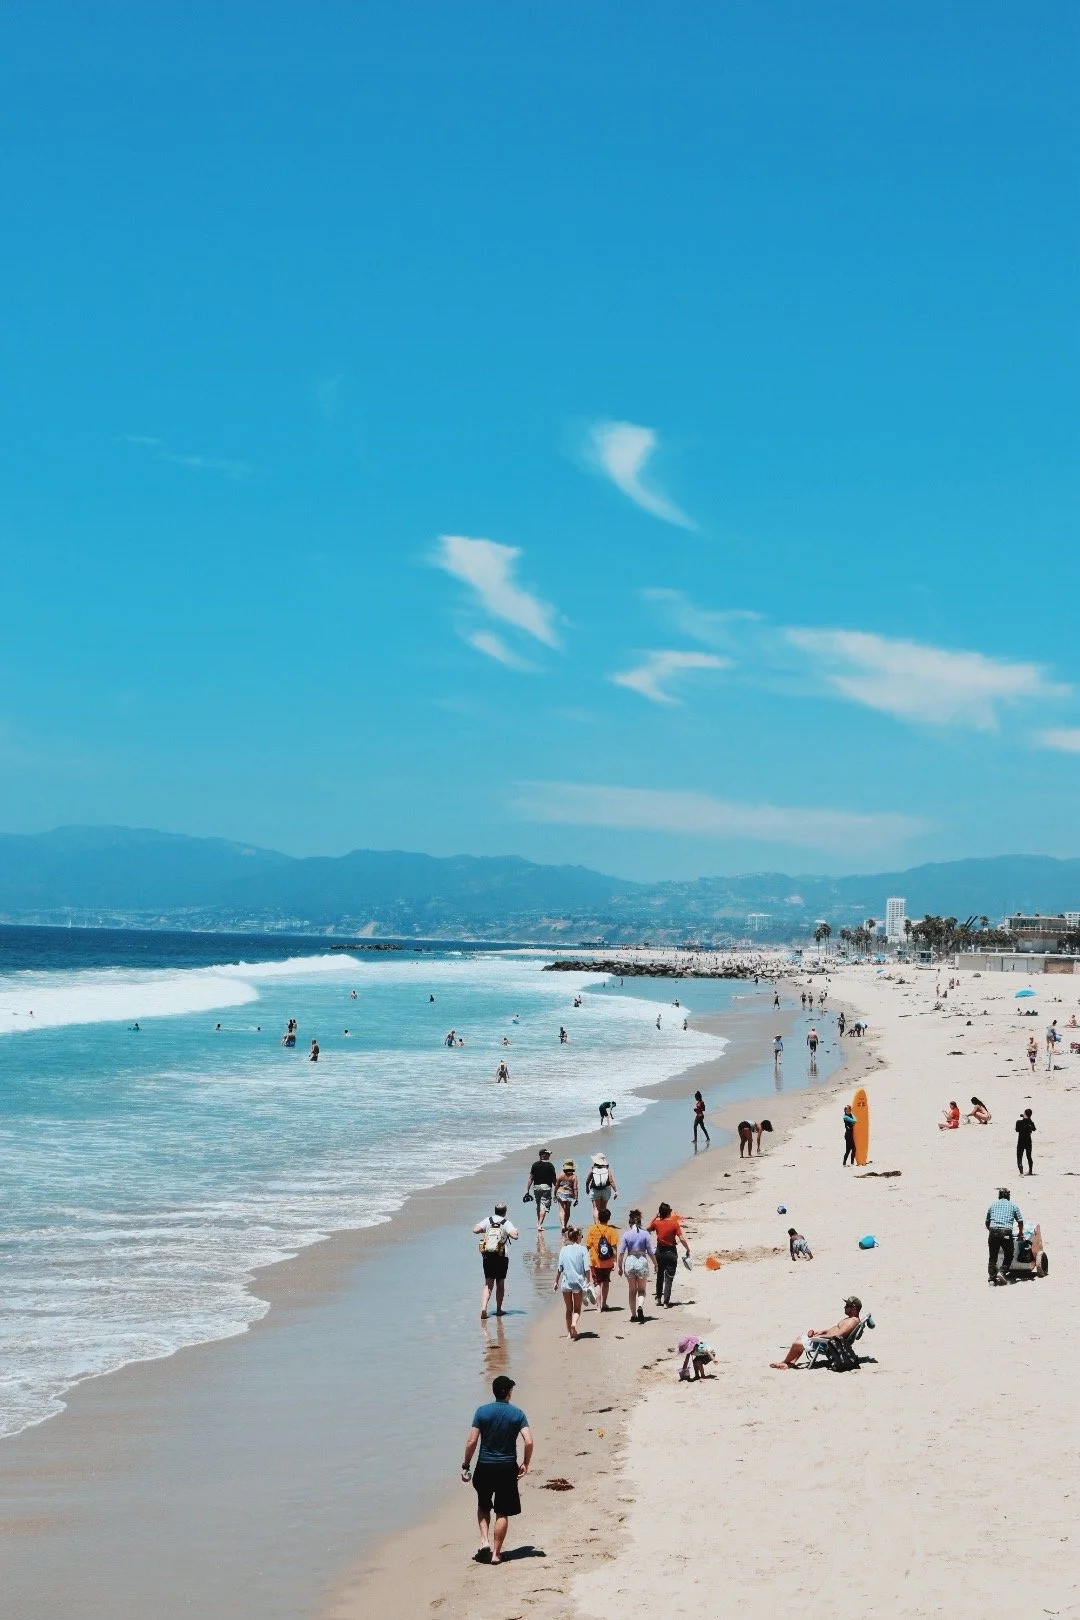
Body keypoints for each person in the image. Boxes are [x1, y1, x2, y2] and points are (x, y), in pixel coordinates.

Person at [461, 1374, 532, 1566]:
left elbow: (472, 1441)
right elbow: (529, 1441)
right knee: (502, 1512)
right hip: (507, 1468)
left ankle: (484, 1541)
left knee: (483, 1505)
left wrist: (466, 1465)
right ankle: (496, 1554)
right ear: (508, 1393)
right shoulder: (518, 1414)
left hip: (484, 1467)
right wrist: (526, 1462)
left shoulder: (482, 1412)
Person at [770, 1296, 863, 1368]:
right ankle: (791, 1363)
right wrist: (823, 1332)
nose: (845, 1307)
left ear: (854, 1309)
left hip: (827, 1343)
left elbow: (839, 1335)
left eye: (847, 1306)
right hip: (826, 1340)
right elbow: (835, 1330)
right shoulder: (850, 1319)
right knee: (799, 1338)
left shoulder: (852, 1321)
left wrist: (820, 1338)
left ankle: (784, 1362)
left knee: (796, 1344)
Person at [473, 1202, 519, 1319]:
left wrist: (486, 1230)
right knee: (500, 1283)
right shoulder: (506, 1223)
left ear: (495, 1210)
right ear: (505, 1211)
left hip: (487, 1255)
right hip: (501, 1256)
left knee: (488, 1283)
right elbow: (515, 1236)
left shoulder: (488, 1220)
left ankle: (484, 1308)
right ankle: (498, 1309)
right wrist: (515, 1231)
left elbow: (475, 1229)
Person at [618, 1208, 656, 1323]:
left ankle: (633, 1315)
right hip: (641, 1262)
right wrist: (656, 1264)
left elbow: (621, 1253)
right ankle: (640, 1306)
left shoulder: (626, 1235)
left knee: (632, 1290)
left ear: (630, 1222)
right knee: (642, 1290)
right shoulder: (645, 1234)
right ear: (639, 1222)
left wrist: (620, 1267)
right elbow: (650, 1252)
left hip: (630, 1261)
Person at [649, 1201, 690, 1308]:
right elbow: (681, 1239)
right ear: (668, 1213)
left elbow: (648, 1229)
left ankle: (658, 1299)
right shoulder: (674, 1223)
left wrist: (655, 1217)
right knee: (669, 1277)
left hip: (660, 1252)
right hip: (671, 1252)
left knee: (659, 1276)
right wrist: (687, 1249)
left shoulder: (657, 1223)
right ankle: (666, 1302)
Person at [553, 1225, 591, 1339]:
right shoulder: (583, 1249)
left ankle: (569, 1332)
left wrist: (555, 1282)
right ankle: (574, 1324)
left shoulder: (564, 1249)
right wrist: (588, 1281)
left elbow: (560, 1268)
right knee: (577, 1309)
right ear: (579, 1237)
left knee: (568, 1309)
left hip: (566, 1283)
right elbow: (587, 1268)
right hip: (578, 1283)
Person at [585, 1204, 620, 1311]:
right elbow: (614, 1248)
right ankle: (604, 1303)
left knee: (597, 1283)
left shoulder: (592, 1229)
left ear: (598, 1217)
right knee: (605, 1282)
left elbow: (587, 1246)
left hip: (595, 1262)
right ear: (608, 1218)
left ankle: (598, 1307)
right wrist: (615, 1261)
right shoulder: (612, 1231)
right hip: (608, 1262)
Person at [986, 1187, 1024, 1285]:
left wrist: (992, 1231)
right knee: (1009, 1253)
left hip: (993, 1232)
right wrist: (1020, 1233)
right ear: (1008, 1196)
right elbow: (1020, 1221)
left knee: (993, 1256)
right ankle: (1002, 1272)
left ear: (999, 1196)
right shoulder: (1013, 1206)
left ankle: (992, 1278)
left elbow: (987, 1222)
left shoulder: (992, 1205)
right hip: (1006, 1233)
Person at [524, 1148, 556, 1229]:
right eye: (547, 1154)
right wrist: (557, 1188)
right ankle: (540, 1225)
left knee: (539, 1205)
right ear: (543, 1155)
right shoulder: (550, 1165)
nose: (549, 1155)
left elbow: (531, 1178)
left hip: (536, 1187)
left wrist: (527, 1190)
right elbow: (554, 1179)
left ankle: (538, 1223)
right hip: (546, 1187)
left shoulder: (535, 1165)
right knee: (544, 1206)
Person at [554, 1159, 578, 1234]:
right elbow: (575, 1188)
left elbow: (557, 1185)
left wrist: (554, 1194)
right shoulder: (574, 1177)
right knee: (567, 1210)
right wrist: (576, 1197)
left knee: (561, 1210)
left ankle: (563, 1225)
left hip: (560, 1193)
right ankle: (566, 1224)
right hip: (569, 1194)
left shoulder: (560, 1175)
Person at [1015, 1109, 1036, 1176]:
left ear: (1025, 1114)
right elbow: (1034, 1129)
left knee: (1019, 1157)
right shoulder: (1030, 1123)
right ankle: (1030, 1171)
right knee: (1029, 1156)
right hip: (1028, 1141)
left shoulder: (1018, 1122)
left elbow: (1017, 1130)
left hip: (1021, 1141)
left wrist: (1024, 1119)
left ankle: (1021, 1172)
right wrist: (1028, 1120)